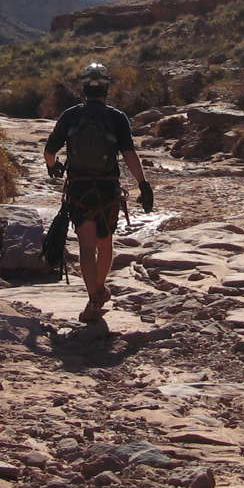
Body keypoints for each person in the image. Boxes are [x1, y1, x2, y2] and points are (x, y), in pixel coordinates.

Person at [43, 63, 153, 323]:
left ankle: (94, 297)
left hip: (79, 189)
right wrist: (143, 184)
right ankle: (99, 290)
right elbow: (129, 153)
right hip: (107, 190)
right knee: (105, 243)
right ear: (106, 88)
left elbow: (50, 152)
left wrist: (53, 167)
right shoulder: (117, 117)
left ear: (84, 88)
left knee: (86, 246)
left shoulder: (70, 115)